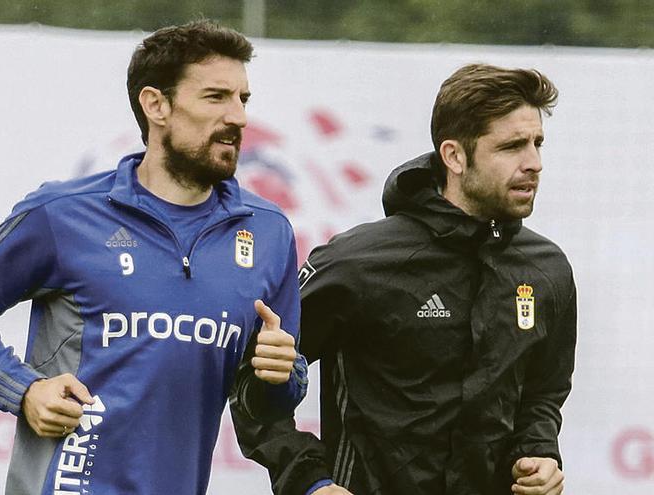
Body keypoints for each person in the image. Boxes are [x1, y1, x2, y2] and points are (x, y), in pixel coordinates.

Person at [0, 20, 307, 495]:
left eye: (243, 99)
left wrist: (282, 374)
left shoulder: (268, 233)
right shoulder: (62, 214)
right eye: (216, 97)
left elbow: (267, 400)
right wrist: (24, 390)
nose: (239, 117)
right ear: (156, 105)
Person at [234, 63, 576, 495]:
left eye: (537, 143)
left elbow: (543, 392)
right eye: (511, 146)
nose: (534, 163)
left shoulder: (547, 268)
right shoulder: (358, 263)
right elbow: (251, 373)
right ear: (454, 155)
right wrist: (308, 480)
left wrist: (539, 452)